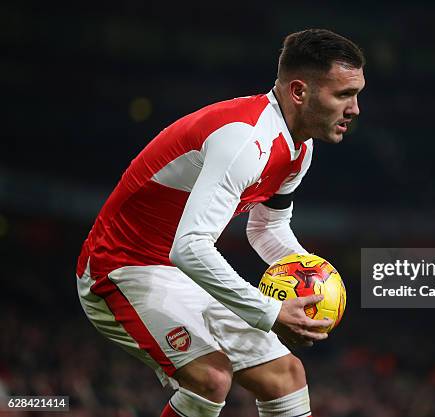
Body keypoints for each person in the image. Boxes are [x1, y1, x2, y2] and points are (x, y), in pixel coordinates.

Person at [76, 28, 365, 417]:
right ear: (299, 92)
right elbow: (190, 248)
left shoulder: (300, 146)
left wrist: (314, 276)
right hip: (122, 266)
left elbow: (266, 229)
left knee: (286, 376)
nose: (355, 108)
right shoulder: (244, 142)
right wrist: (270, 312)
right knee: (210, 378)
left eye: (356, 94)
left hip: (179, 269)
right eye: (344, 95)